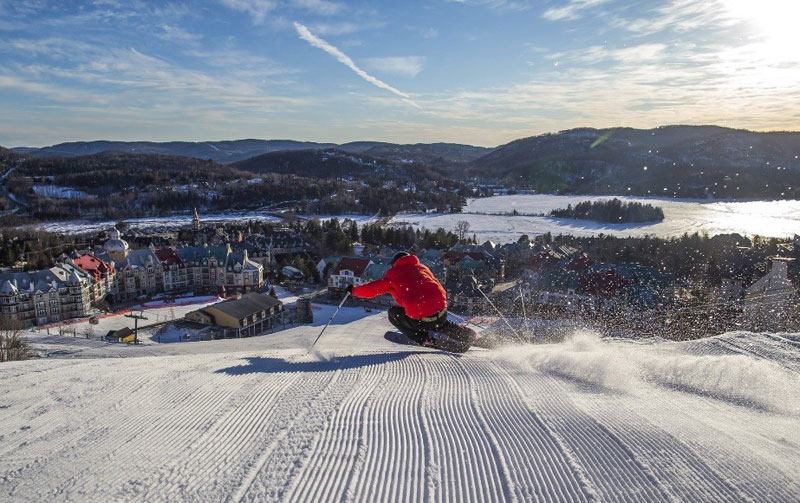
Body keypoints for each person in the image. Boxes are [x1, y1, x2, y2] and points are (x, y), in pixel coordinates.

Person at [347, 252, 475, 352]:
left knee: (394, 313)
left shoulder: (394, 275)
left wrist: (353, 291)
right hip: (441, 311)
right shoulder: (422, 268)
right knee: (438, 321)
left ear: (394, 264)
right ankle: (466, 335)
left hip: (420, 319)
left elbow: (372, 289)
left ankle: (424, 339)